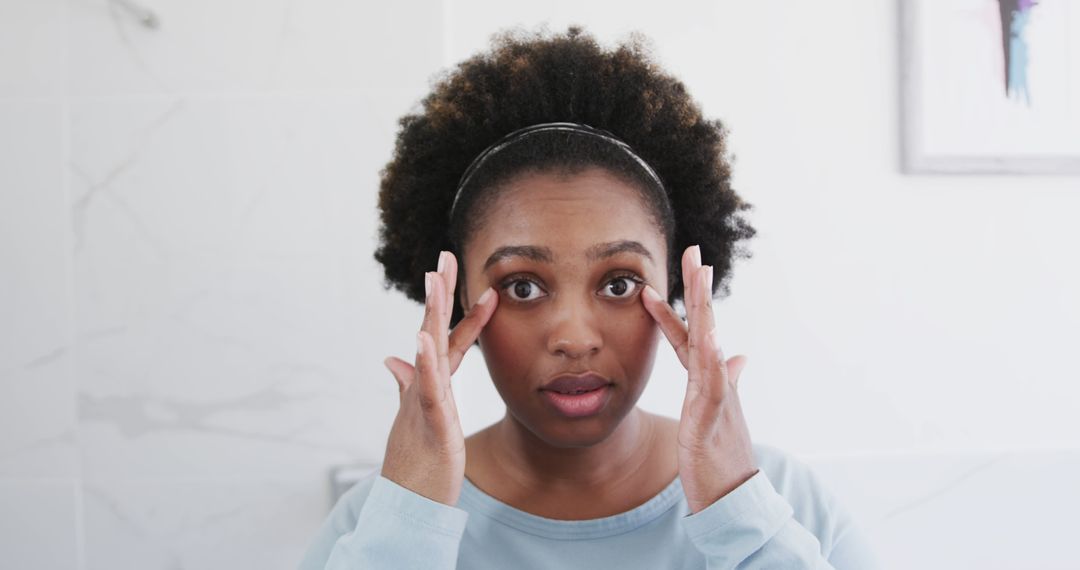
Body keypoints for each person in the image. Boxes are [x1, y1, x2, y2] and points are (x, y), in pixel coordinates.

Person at [299, 24, 879, 570]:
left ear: (678, 287)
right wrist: (408, 523)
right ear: (456, 302)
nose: (574, 338)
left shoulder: (779, 501)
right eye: (521, 287)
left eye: (619, 284)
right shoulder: (379, 520)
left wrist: (739, 517)